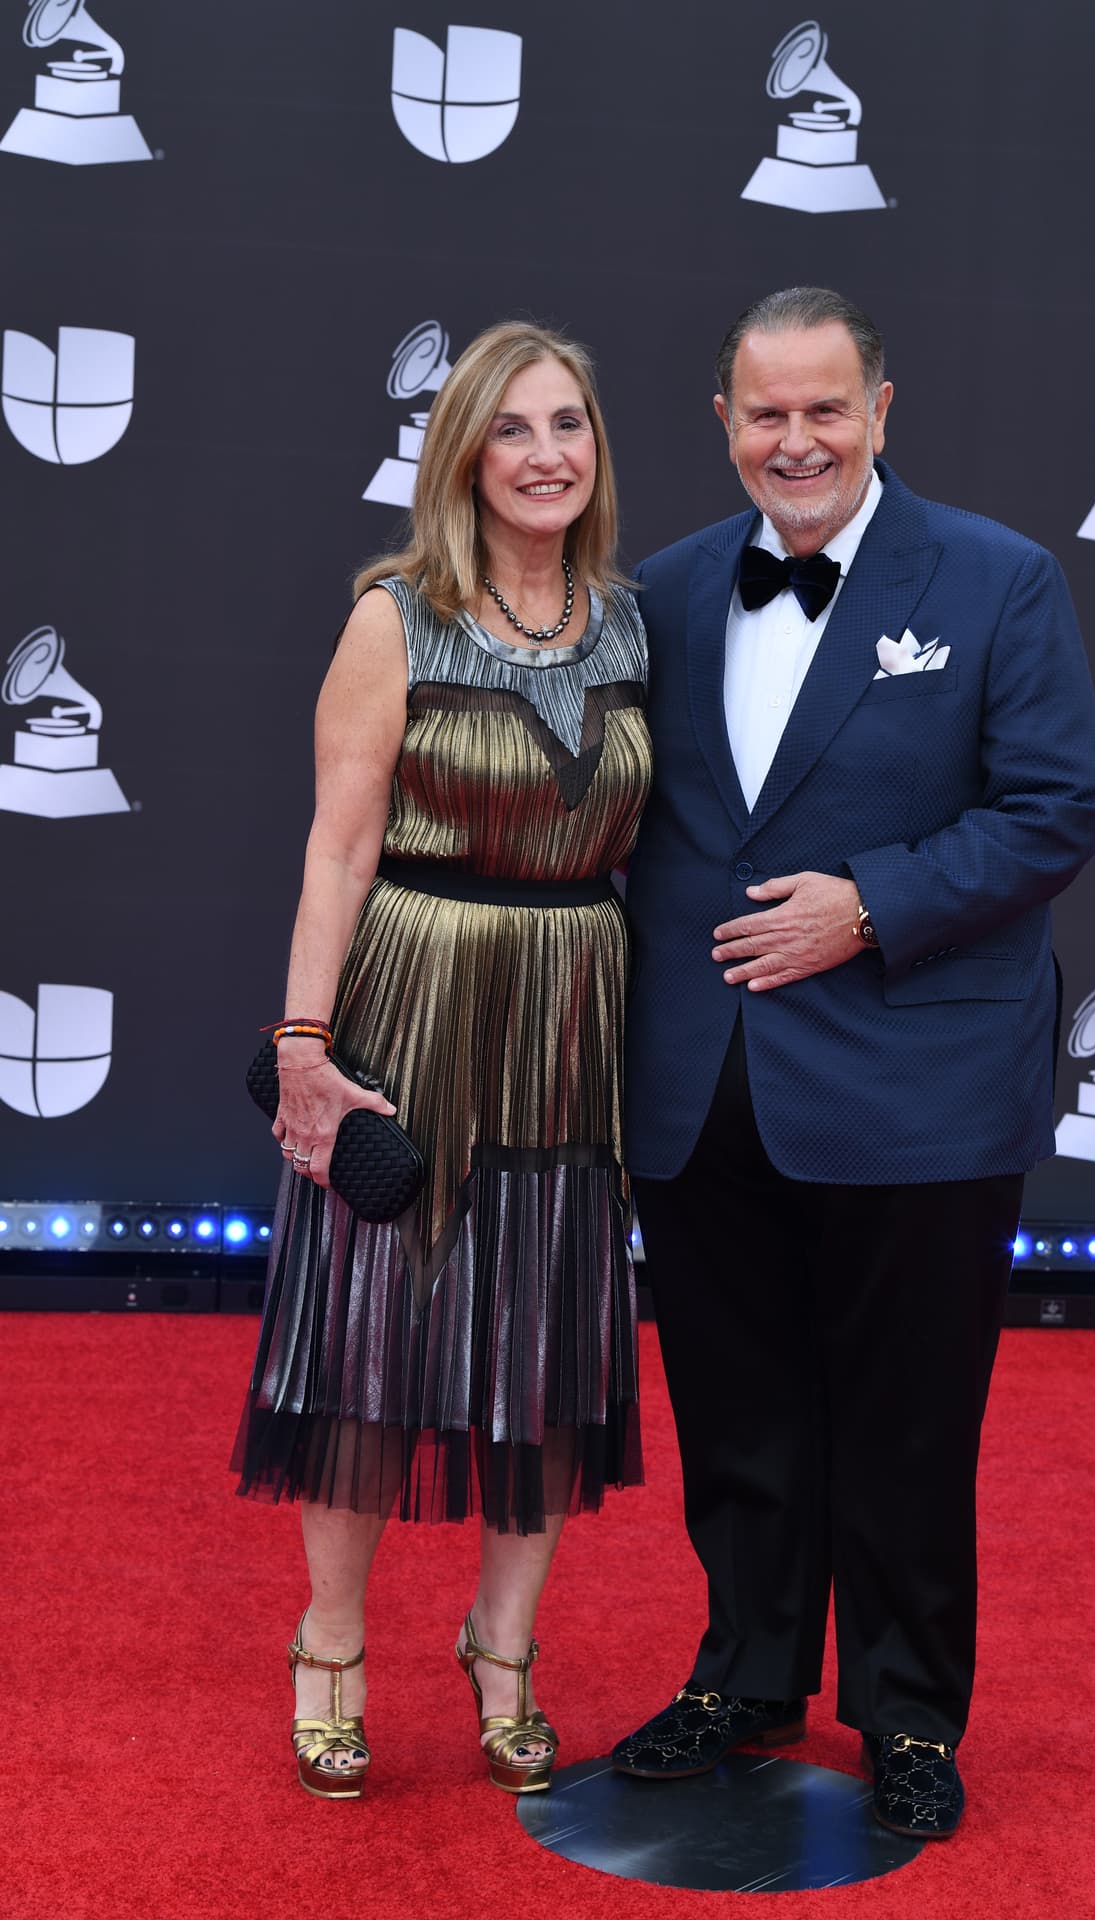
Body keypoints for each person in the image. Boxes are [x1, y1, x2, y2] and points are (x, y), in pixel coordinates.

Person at [611, 287, 1095, 1838]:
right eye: (767, 413)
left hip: (919, 1086)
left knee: (907, 1421)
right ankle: (747, 1675)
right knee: (738, 1408)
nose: (797, 439)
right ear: (724, 425)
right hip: (701, 1083)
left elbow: (1050, 811)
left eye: (827, 408)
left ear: (883, 409)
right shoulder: (664, 593)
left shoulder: (999, 577)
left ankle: (907, 1713)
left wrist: (870, 904)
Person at [232, 321, 651, 1800]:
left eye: (570, 426)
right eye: (514, 429)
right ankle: (332, 1646)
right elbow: (338, 849)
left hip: (569, 1015)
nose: (547, 455)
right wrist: (302, 1045)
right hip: (413, 998)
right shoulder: (395, 618)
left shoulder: (632, 623)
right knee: (366, 1350)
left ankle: (503, 1648)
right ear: (462, 452)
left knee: (542, 1347)